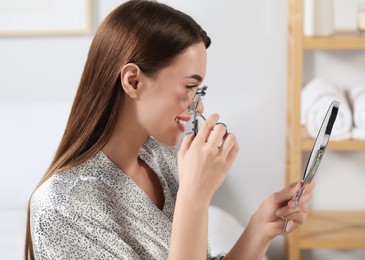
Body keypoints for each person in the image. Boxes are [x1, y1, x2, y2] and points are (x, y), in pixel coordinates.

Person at [25, 1, 314, 259]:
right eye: (189, 87)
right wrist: (195, 196)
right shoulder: (61, 207)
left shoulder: (163, 158)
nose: (197, 107)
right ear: (133, 81)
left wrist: (260, 228)